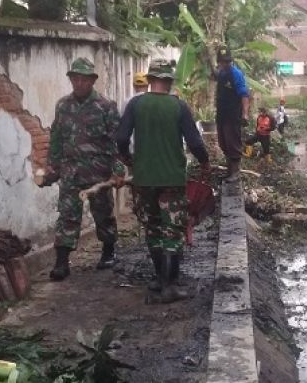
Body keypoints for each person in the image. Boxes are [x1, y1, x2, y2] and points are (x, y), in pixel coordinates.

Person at [116, 60, 210, 302]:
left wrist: (128, 159)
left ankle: (159, 279)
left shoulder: (136, 104)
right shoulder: (178, 106)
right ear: (169, 82)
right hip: (171, 179)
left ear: (149, 81)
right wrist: (205, 162)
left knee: (153, 228)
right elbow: (195, 143)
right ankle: (170, 286)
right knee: (172, 230)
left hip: (143, 179)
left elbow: (122, 137)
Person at [38, 57, 126, 281]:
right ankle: (61, 262)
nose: (79, 83)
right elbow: (57, 137)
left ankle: (108, 252)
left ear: (92, 80)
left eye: (84, 79)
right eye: (75, 79)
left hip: (98, 172)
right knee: (67, 215)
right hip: (70, 172)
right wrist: (52, 165)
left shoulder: (106, 107)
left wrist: (117, 169)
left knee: (103, 213)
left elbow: (116, 142)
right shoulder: (63, 106)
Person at [215, 45, 250, 183]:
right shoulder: (221, 73)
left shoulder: (236, 74)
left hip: (233, 115)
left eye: (228, 61)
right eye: (223, 61)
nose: (226, 64)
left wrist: (245, 114)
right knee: (223, 143)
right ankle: (229, 170)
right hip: (221, 114)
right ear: (219, 61)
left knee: (233, 142)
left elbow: (244, 95)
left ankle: (235, 172)